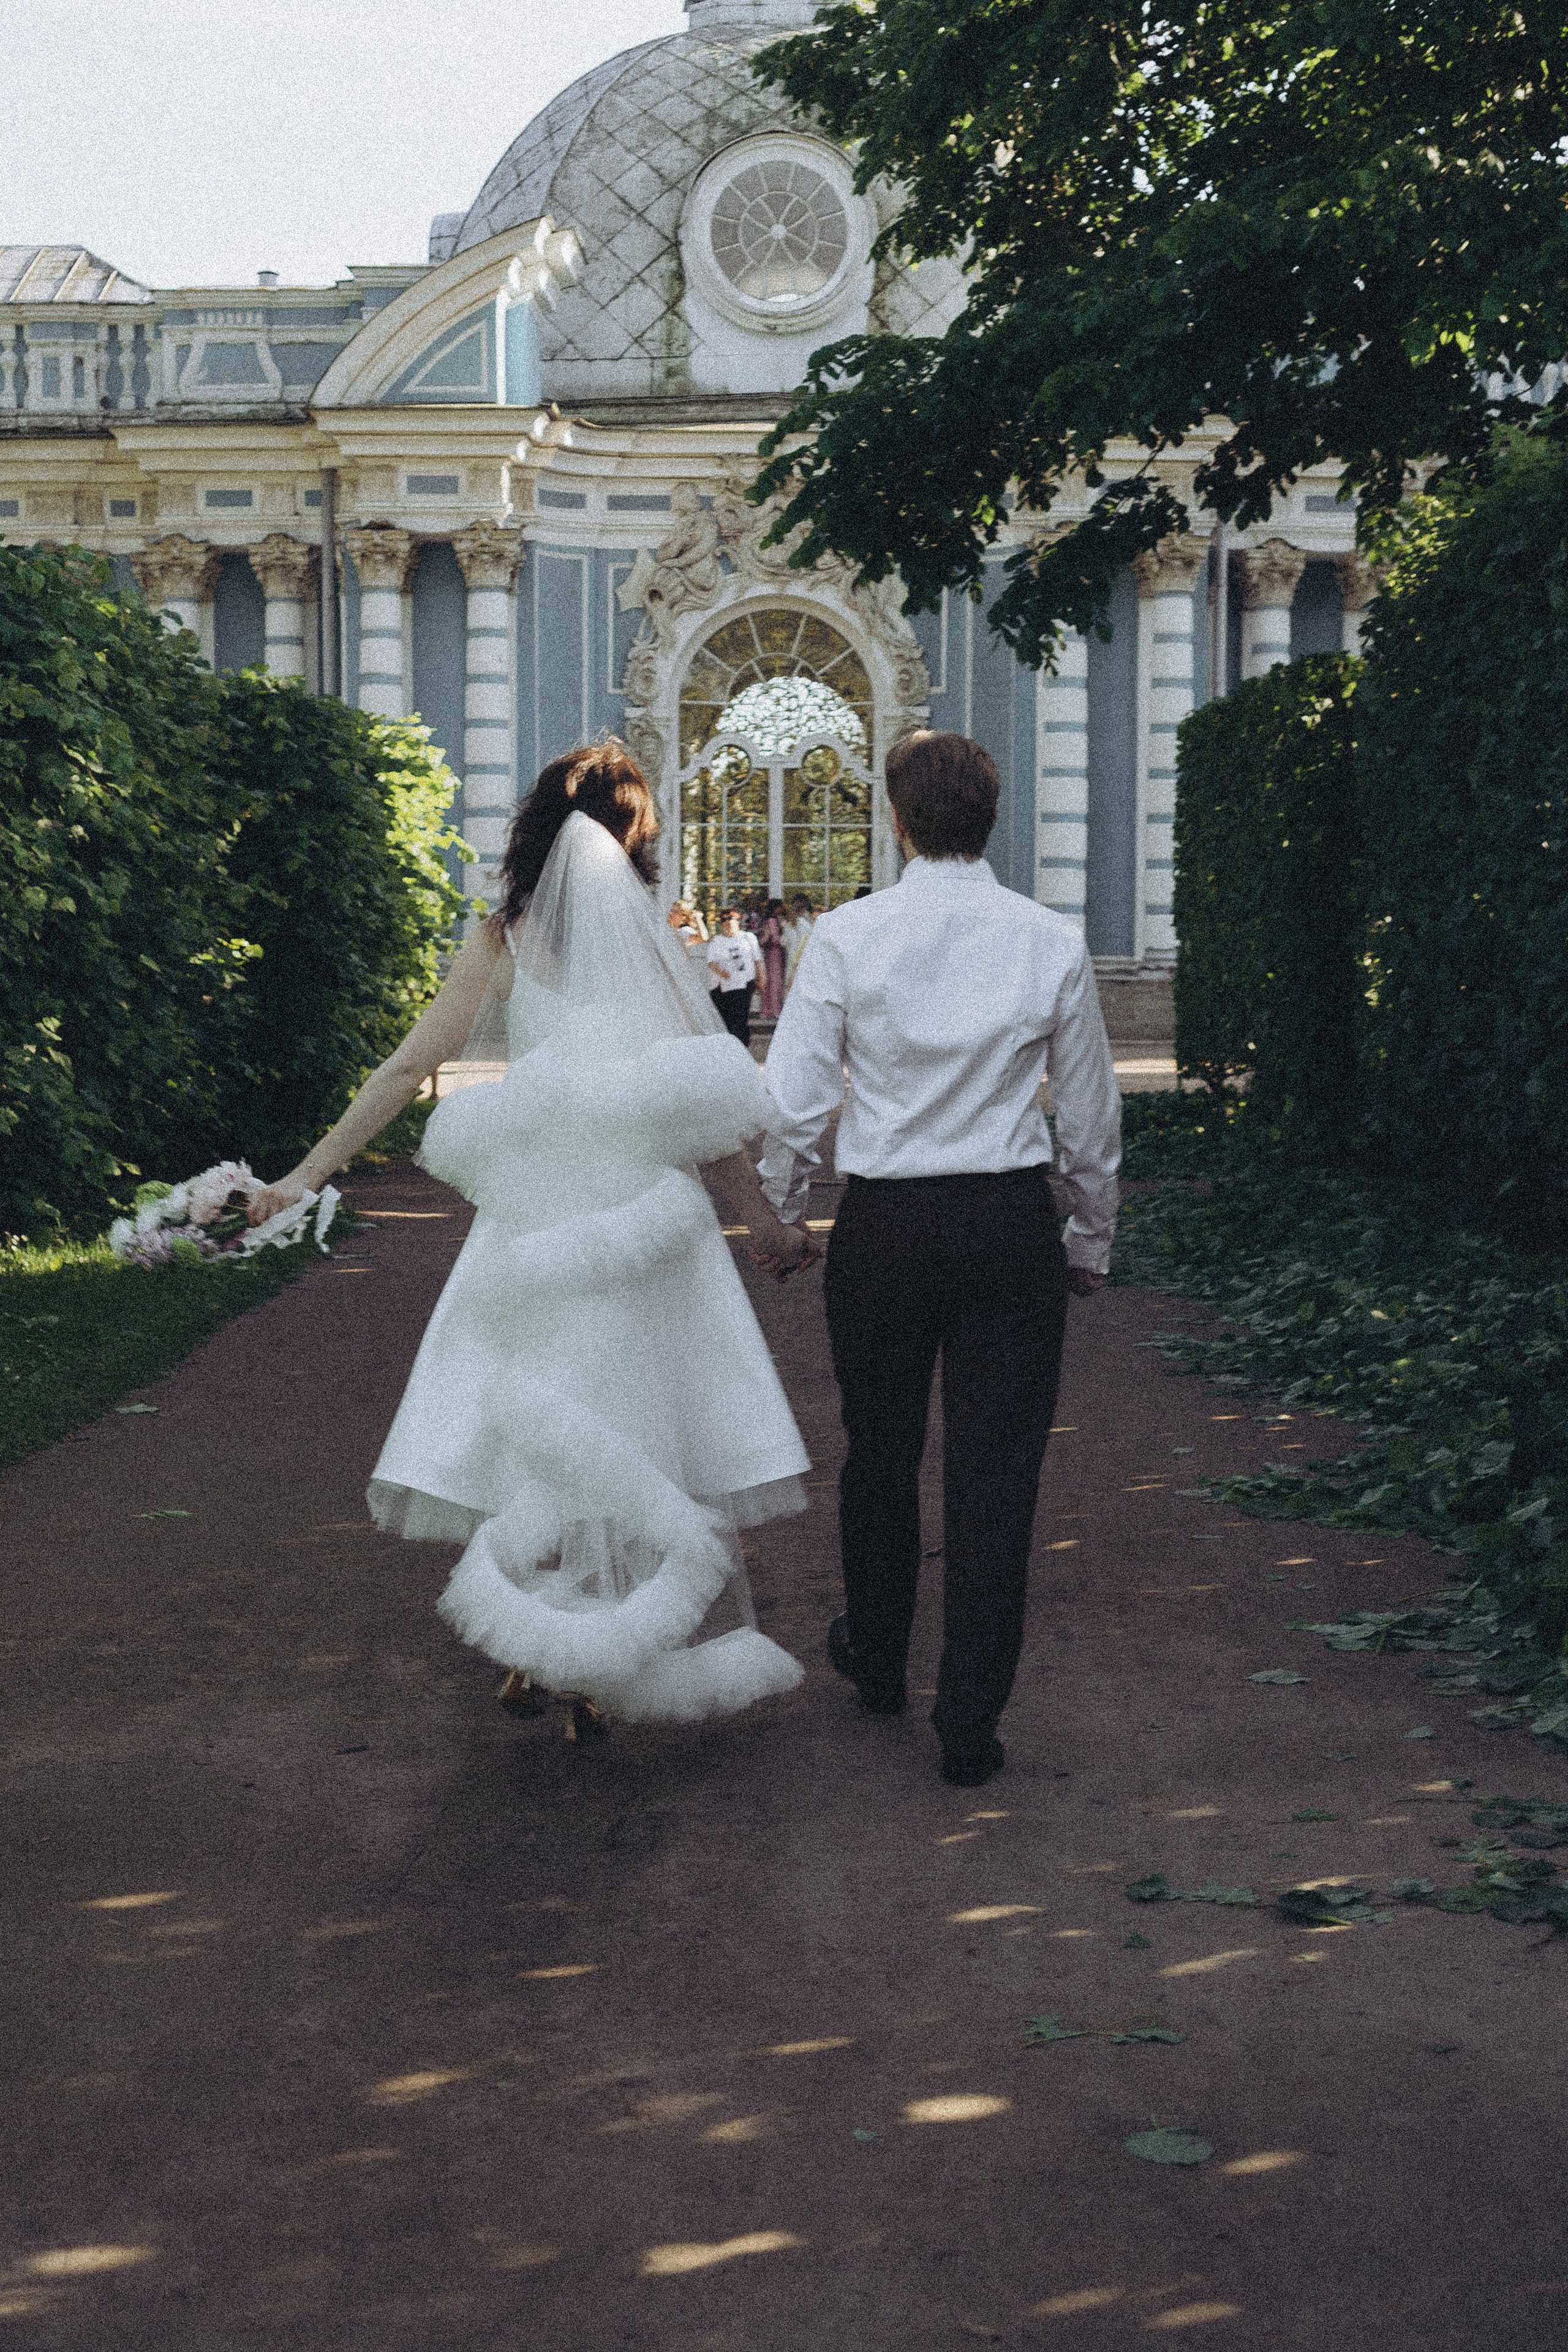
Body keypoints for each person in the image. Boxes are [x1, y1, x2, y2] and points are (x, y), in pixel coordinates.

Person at [246, 741, 818, 1733]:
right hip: (642, 1228)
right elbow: (702, 1111)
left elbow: (402, 1072)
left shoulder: (501, 940)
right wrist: (760, 1221)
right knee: (635, 1432)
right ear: (635, 837)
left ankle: (547, 1642)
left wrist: (305, 1175)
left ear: (535, 832)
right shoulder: (653, 940)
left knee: (545, 1429)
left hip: (538, 1229)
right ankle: (594, 1648)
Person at [757, 731, 1121, 1788]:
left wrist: (782, 1217)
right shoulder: (1047, 940)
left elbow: (796, 1100)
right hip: (1009, 1224)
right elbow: (1090, 1114)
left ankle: (877, 1663)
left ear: (899, 822)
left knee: (879, 1451)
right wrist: (1088, 1237)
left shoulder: (849, 937)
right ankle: (968, 1722)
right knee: (998, 1471)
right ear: (991, 820)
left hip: (887, 1230)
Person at [706, 907, 763, 1045]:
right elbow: (711, 962)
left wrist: (761, 978)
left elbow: (758, 960)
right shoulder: (717, 941)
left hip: (744, 983)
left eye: (729, 919)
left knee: (741, 1018)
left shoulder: (748, 938)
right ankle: (727, 1048)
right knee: (726, 1020)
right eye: (723, 920)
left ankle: (742, 1047)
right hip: (722, 986)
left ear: (737, 920)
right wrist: (722, 973)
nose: (726, 922)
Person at [757, 898, 788, 1021]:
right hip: (773, 953)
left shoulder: (777, 921)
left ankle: (773, 1008)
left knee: (776, 981)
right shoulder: (771, 921)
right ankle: (772, 1009)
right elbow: (772, 939)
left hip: (777, 954)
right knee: (773, 981)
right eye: (779, 907)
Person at [783, 895, 815, 989]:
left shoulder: (790, 925)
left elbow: (784, 942)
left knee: (791, 987)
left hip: (793, 957)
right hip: (805, 958)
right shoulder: (809, 924)